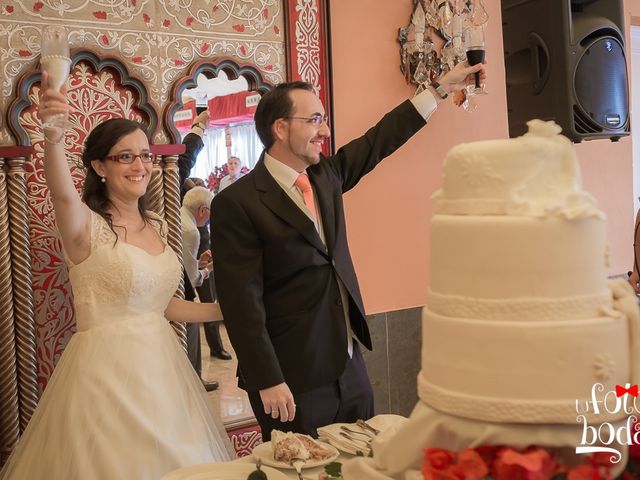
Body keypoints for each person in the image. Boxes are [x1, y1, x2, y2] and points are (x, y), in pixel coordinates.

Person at [211, 61, 485, 441]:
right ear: (281, 127)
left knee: (362, 462)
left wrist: (438, 90)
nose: (325, 130)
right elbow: (242, 302)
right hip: (291, 377)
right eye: (315, 120)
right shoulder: (237, 203)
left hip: (350, 366)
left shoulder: (326, 176)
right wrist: (267, 378)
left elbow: (378, 140)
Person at [0, 73, 235, 480]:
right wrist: (53, 133)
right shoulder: (85, 227)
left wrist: (227, 309)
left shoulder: (160, 224)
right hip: (105, 378)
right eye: (125, 156)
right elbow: (60, 193)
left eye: (144, 155)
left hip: (163, 374)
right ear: (99, 166)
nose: (140, 165)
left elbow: (163, 306)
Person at [180, 185, 222, 389]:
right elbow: (192, 279)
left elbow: (181, 263)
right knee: (192, 331)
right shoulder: (191, 231)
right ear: (203, 210)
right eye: (209, 215)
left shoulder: (179, 216)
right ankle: (194, 380)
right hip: (180, 294)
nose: (207, 220)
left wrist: (198, 262)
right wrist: (209, 269)